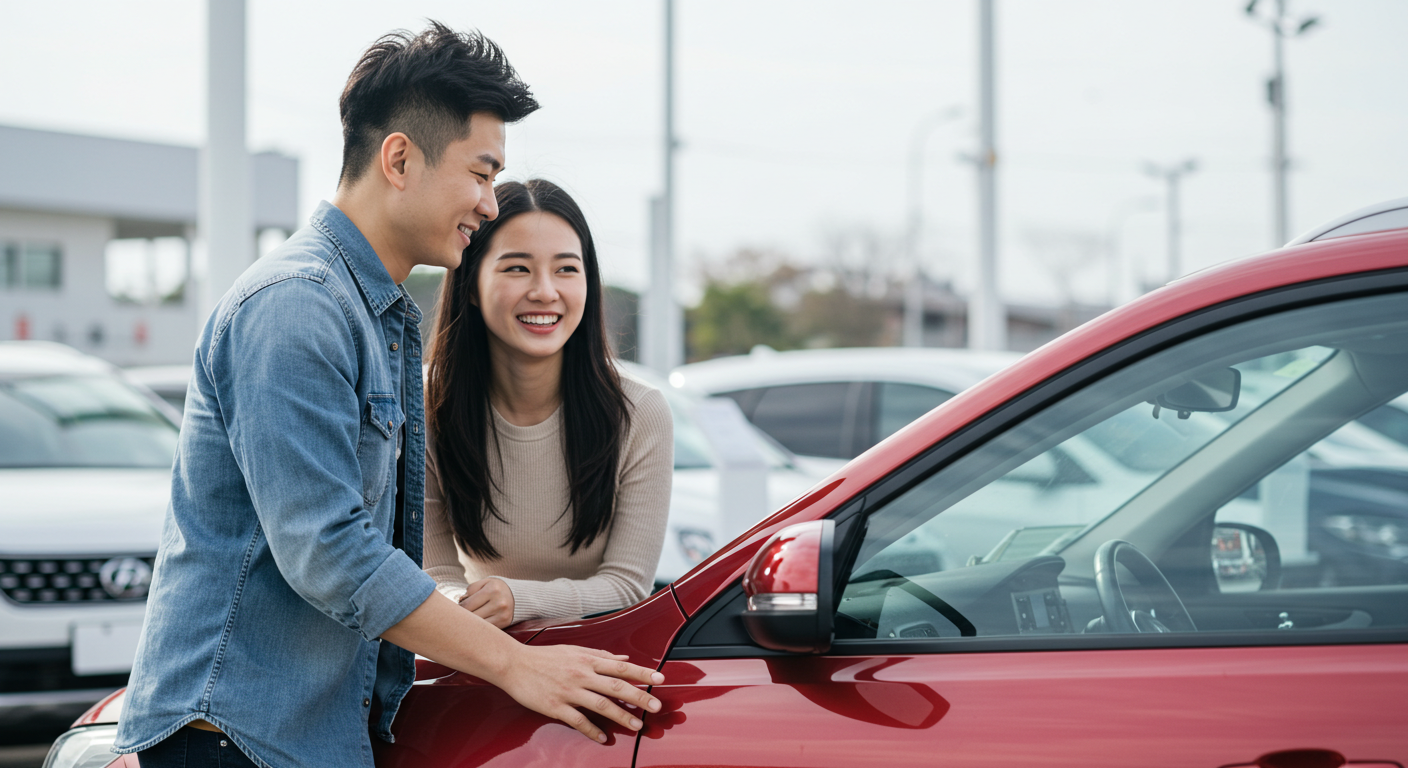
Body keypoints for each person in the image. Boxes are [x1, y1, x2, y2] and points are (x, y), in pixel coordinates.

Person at [114, 23, 663, 768]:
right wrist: (518, 665)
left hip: (299, 737)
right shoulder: (296, 306)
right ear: (400, 158)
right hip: (235, 740)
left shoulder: (375, 314)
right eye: (480, 172)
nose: (488, 202)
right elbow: (330, 552)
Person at [422, 179, 673, 629]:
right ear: (473, 286)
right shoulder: (425, 405)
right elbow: (435, 575)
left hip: (598, 659)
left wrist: (518, 599)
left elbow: (628, 586)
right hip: (473, 655)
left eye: (566, 269)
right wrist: (467, 606)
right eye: (517, 268)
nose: (544, 291)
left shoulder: (640, 412)